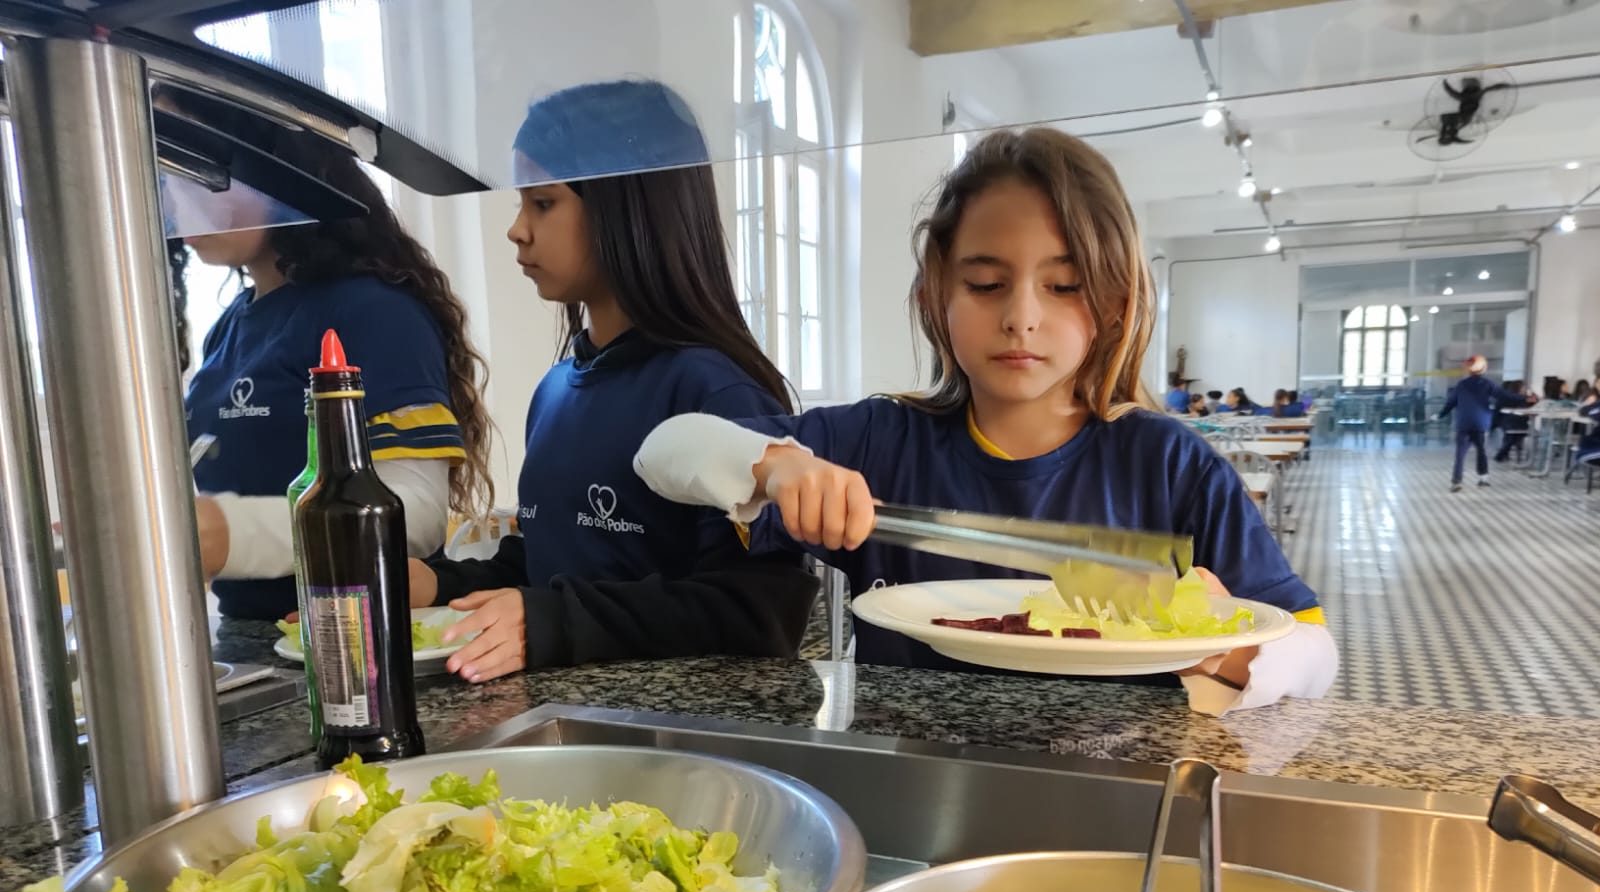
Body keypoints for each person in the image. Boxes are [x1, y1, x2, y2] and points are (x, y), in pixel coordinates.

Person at [637, 127, 1337, 715]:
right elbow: (666, 447)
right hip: (913, 789)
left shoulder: (1168, 465)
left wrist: (1226, 640)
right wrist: (779, 464)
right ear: (936, 289)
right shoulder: (880, 442)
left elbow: (1317, 655)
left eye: (1064, 286)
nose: (1021, 316)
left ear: (1117, 302)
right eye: (985, 283)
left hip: (1117, 801)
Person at [410, 79, 817, 683]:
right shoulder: (556, 390)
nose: (516, 230)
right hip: (566, 718)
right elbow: (559, 565)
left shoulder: (717, 394)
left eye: (543, 202)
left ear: (626, 208)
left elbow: (759, 610)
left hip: (674, 740)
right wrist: (439, 583)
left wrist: (553, 623)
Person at [178, 98, 493, 623]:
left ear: (276, 169)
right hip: (252, 636)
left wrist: (228, 531)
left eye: (201, 167)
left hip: (355, 639)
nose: (181, 192)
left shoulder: (373, 312)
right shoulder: (230, 325)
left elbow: (415, 515)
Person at [1438, 355, 1535, 491]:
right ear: (1483, 368)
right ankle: (1483, 478)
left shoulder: (1461, 385)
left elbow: (1450, 403)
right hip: (1480, 423)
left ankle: (1457, 481)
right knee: (1481, 450)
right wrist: (1525, 399)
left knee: (1460, 453)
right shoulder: (1487, 384)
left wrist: (1440, 415)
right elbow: (1505, 395)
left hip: (1463, 423)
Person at [1492, 379, 1531, 463]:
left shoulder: (1520, 398)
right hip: (1511, 423)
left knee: (1512, 437)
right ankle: (1504, 453)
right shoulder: (1516, 398)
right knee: (1513, 435)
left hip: (1511, 423)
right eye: (1524, 387)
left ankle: (1503, 453)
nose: (1525, 389)